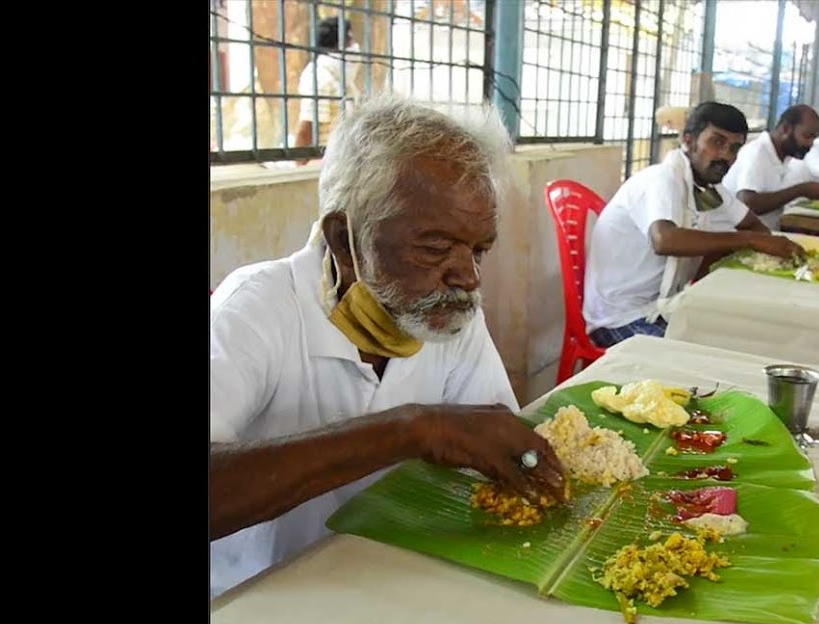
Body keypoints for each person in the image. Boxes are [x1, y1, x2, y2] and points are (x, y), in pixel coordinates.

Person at [210, 95, 566, 598]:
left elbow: (496, 447)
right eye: (435, 246)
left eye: (479, 249)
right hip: (262, 603)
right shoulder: (257, 309)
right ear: (343, 239)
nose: (467, 275)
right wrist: (412, 429)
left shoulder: (448, 311)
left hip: (394, 583)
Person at [581, 102, 807, 347]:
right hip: (621, 318)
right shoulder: (662, 178)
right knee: (713, 358)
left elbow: (753, 226)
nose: (726, 156)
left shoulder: (709, 189)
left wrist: (761, 241)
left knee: (749, 337)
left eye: (734, 148)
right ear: (688, 140)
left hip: (662, 306)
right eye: (717, 142)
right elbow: (665, 240)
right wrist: (748, 240)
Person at [721, 103, 819, 230]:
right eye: (807, 136)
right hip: (740, 238)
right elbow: (748, 203)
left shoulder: (783, 156)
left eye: (814, 138)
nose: (810, 144)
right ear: (786, 129)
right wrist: (801, 190)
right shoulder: (758, 152)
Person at [294, 17, 364, 161]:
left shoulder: (343, 79)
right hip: (322, 162)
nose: (354, 46)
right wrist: (299, 165)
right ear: (336, 44)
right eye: (349, 40)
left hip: (341, 161)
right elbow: (307, 127)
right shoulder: (318, 74)